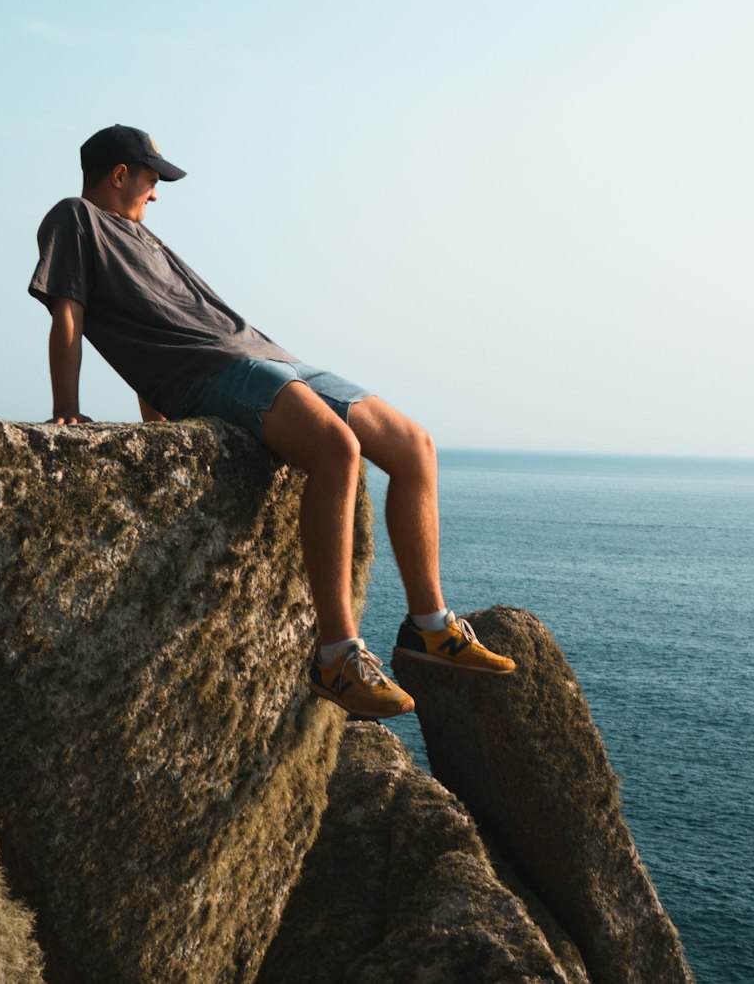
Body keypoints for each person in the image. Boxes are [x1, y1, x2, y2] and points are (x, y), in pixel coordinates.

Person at [29, 124, 515, 719]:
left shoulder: (146, 239)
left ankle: (429, 627)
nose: (156, 194)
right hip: (211, 372)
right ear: (120, 173)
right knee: (336, 449)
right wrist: (65, 405)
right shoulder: (74, 219)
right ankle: (337, 654)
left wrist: (152, 420)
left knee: (416, 445)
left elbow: (151, 323)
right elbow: (71, 316)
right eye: (152, 179)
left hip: (269, 356)